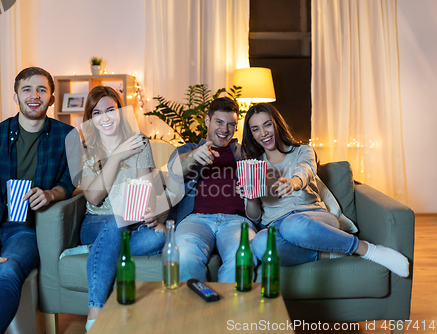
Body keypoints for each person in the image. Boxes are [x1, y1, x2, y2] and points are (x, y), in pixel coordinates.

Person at [0, 67, 76, 334]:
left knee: (7, 274)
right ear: (16, 97)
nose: (34, 95)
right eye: (27, 89)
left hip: (26, 229)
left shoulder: (67, 136)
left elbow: (70, 183)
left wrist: (50, 194)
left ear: (52, 98)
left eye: (42, 89)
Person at [239, 103, 409, 277]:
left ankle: (367, 249)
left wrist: (293, 182)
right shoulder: (253, 167)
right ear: (251, 134)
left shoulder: (302, 151)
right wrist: (251, 198)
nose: (263, 133)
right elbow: (255, 216)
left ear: (277, 124)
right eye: (255, 129)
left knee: (293, 226)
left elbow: (306, 169)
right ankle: (330, 253)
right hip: (277, 225)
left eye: (267, 124)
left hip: (314, 219)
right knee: (260, 243)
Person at [70, 86, 165, 331]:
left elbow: (148, 191)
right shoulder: (86, 147)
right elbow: (93, 197)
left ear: (120, 111)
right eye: (97, 113)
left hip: (131, 226)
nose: (105, 117)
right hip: (97, 223)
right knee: (115, 222)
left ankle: (97, 248)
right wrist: (116, 157)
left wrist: (150, 213)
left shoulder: (140, 142)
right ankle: (96, 315)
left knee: (158, 236)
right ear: (91, 118)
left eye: (111, 110)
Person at [167, 97, 256, 283]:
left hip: (237, 221)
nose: (225, 130)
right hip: (195, 219)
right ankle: (197, 309)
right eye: (219, 122)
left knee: (243, 257)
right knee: (183, 255)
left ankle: (229, 311)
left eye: (231, 124)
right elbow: (174, 169)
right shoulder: (189, 149)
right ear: (207, 121)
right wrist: (194, 156)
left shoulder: (245, 153)